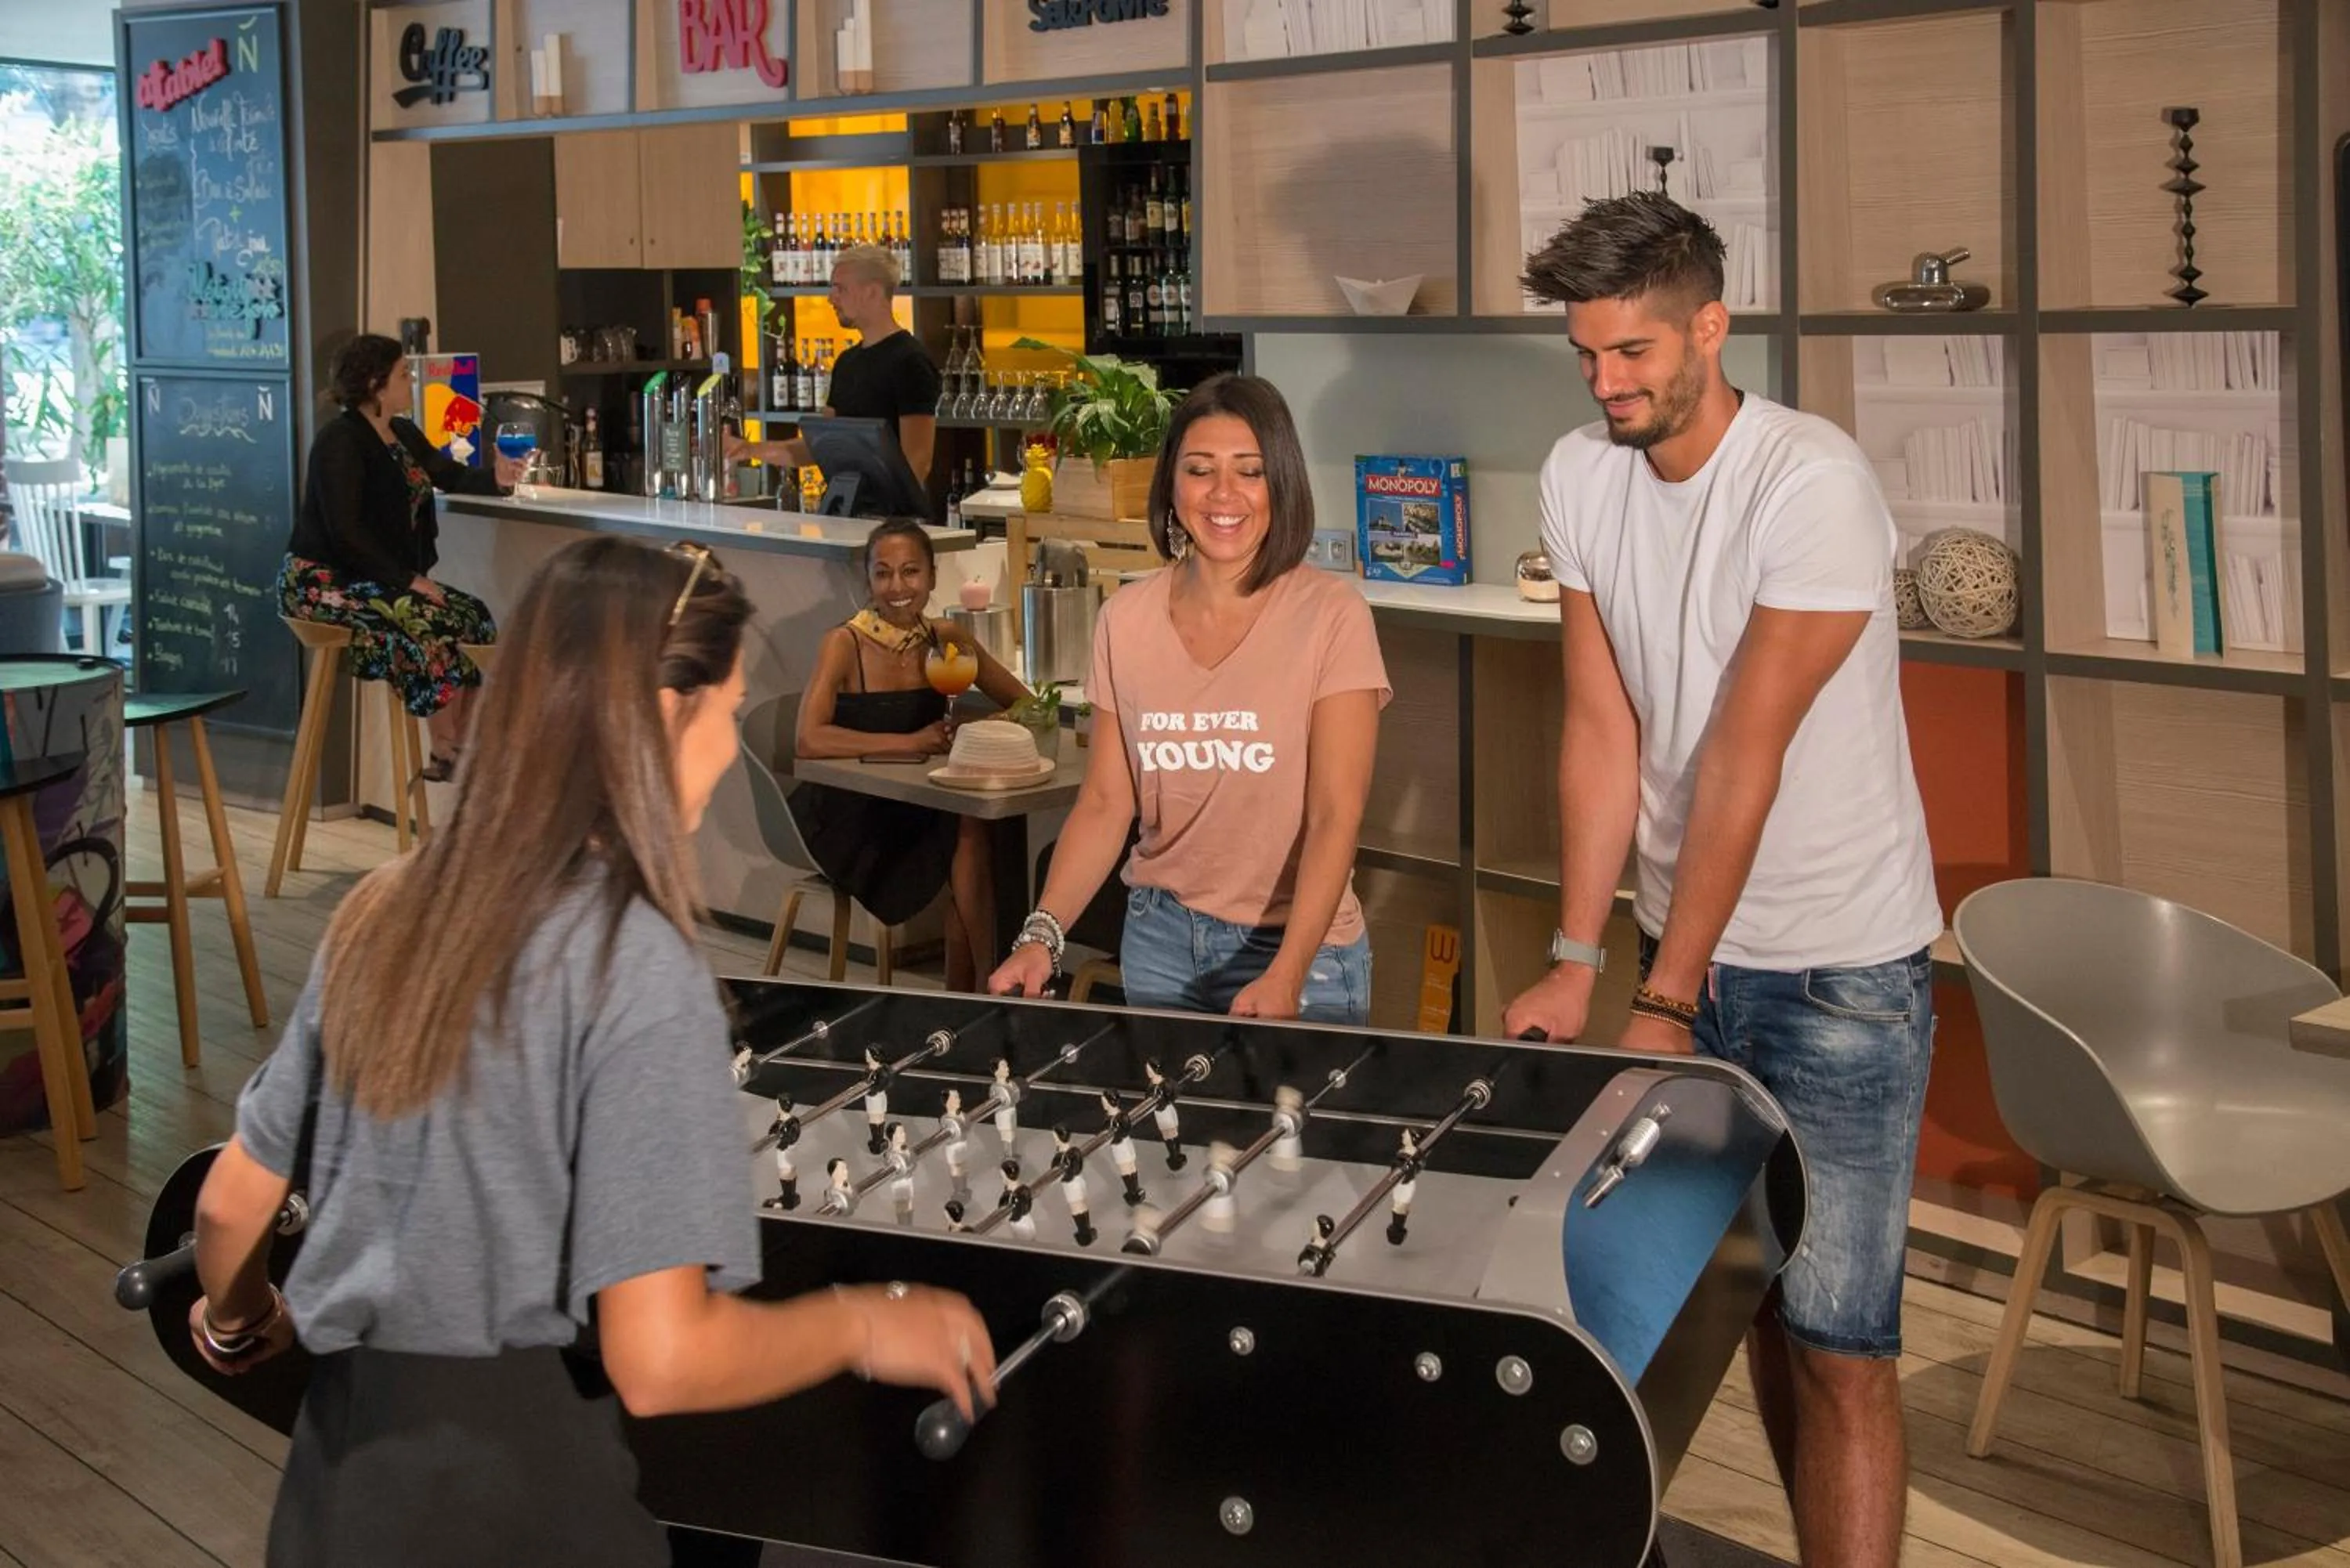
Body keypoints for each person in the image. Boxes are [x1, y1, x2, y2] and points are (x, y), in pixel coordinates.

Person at [185, 534, 996, 1566]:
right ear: (663, 713)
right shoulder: (640, 964)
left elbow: (229, 1202)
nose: (726, 749)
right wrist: (864, 1323)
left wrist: (236, 1315)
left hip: (338, 1499)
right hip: (530, 1505)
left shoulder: (383, 910)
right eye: (729, 710)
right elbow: (660, 1359)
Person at [1498, 193, 1941, 1568]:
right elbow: (1601, 725)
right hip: (1680, 954)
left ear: (1710, 323)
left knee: (1842, 1345)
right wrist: (1579, 956)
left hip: (1837, 971)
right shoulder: (1581, 472)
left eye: (1631, 351)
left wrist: (1666, 1001)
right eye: (1585, 354)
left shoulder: (1811, 483)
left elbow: (1744, 752)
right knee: (1752, 1301)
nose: (1606, 381)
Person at [986, 374, 1390, 1024]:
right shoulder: (1126, 618)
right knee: (1167, 1130)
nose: (1224, 494)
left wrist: (1286, 974)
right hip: (1159, 940)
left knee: (1292, 1131)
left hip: (1301, 951)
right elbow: (1106, 803)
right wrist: (1041, 936)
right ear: (1171, 485)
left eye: (1250, 472)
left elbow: (1335, 816)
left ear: (1280, 484)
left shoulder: (1332, 616)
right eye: (1200, 470)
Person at [790, 518, 1028, 990]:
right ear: (869, 580)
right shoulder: (843, 643)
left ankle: (973, 993)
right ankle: (990, 989)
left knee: (973, 824)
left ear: (933, 577)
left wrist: (977, 728)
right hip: (853, 811)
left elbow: (1024, 703)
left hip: (925, 802)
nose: (898, 587)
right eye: (883, 573)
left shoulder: (946, 639)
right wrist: (910, 742)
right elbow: (809, 739)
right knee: (967, 830)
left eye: (911, 572)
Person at [281, 332, 512, 781]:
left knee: (475, 616)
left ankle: (463, 743)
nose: (412, 381)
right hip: (321, 581)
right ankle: (444, 746)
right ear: (375, 384)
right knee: (426, 617)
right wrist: (406, 579)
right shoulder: (340, 441)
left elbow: (447, 473)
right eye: (404, 373)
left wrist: (498, 478)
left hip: (375, 578)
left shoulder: (402, 431)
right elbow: (344, 532)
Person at [727, 244, 940, 494]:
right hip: (847, 514)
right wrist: (748, 449)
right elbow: (820, 446)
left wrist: (882, 518)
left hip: (889, 524)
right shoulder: (846, 362)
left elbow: (918, 461)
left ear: (871, 292)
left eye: (840, 288)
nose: (831, 298)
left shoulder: (910, 361)